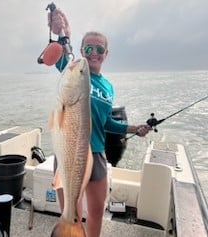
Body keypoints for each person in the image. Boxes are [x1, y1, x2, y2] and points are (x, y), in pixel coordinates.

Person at [48, 9, 151, 237]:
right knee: (71, 212)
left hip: (96, 154)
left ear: (106, 53)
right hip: (70, 153)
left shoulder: (108, 87)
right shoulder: (73, 70)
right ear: (81, 50)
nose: (93, 53)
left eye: (99, 49)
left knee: (96, 211)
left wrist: (133, 128)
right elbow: (60, 55)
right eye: (88, 48)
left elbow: (106, 123)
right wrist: (59, 32)